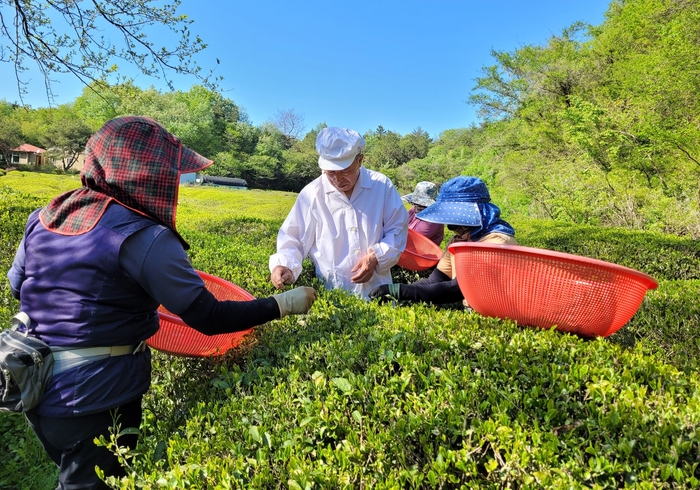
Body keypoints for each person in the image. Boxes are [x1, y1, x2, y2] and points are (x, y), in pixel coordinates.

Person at [6, 116, 317, 489]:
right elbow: (208, 315)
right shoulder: (145, 236)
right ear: (147, 173)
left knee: (72, 474)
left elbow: (18, 286)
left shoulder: (45, 216)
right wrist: (283, 304)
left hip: (31, 384)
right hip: (94, 396)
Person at [269, 126, 408, 299]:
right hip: (332, 293)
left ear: (360, 160)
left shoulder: (381, 186)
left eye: (346, 171)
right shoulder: (312, 193)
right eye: (331, 173)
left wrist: (377, 257)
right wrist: (285, 265)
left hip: (378, 289)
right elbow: (294, 236)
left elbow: (397, 230)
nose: (338, 180)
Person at [369, 176, 517, 305]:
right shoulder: (458, 241)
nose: (452, 227)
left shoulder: (497, 241)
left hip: (502, 317)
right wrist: (395, 291)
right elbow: (435, 281)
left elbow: (459, 288)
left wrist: (400, 291)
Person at [402, 181, 444, 246]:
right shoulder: (414, 210)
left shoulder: (432, 220)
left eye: (422, 204)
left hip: (420, 254)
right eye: (416, 203)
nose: (418, 206)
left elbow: (411, 240)